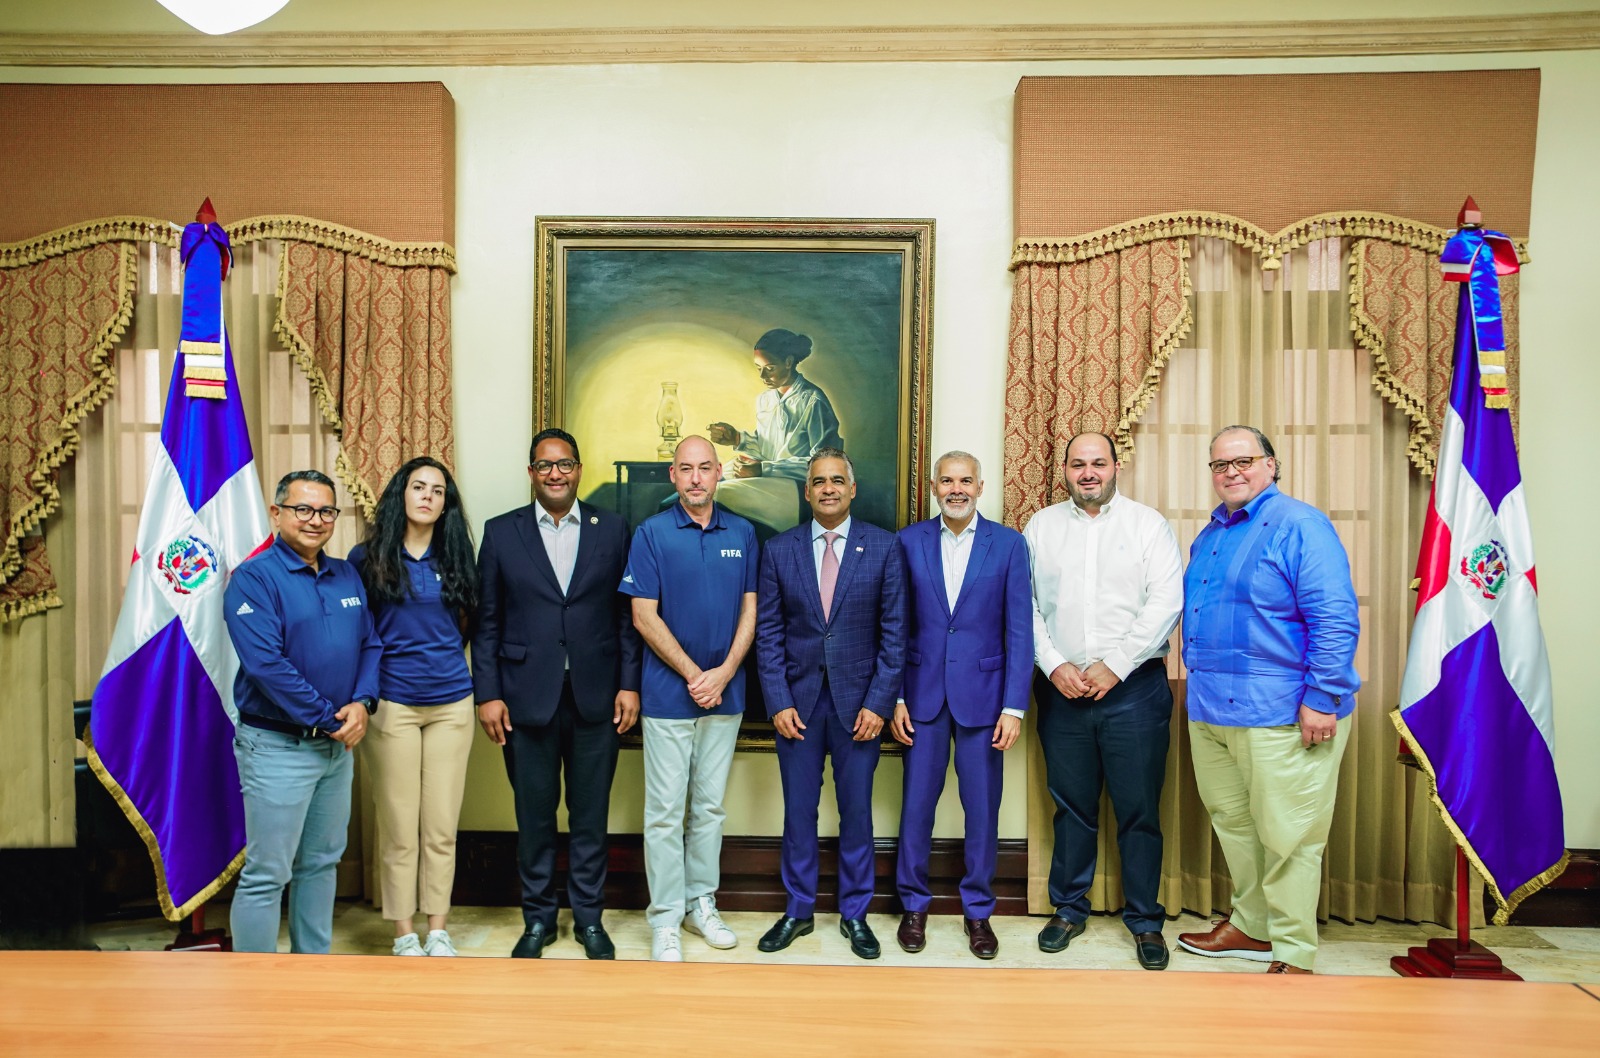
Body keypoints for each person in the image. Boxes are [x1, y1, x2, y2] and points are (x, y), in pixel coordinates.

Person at [1175, 425, 1359, 975]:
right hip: (1211, 709)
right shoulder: (1210, 534)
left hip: (1281, 713)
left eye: (1244, 460)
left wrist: (1322, 697)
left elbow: (1334, 617)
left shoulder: (1301, 525)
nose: (1231, 472)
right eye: (1219, 464)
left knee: (1290, 837)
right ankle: (1252, 927)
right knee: (1235, 825)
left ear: (1271, 465)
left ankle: (1294, 952)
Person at [472, 429, 642, 960]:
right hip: (524, 699)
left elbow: (627, 617)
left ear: (579, 470)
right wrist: (487, 693)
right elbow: (487, 621)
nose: (555, 474)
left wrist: (629, 684)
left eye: (564, 464)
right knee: (535, 818)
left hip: (597, 696)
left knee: (590, 817)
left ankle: (589, 919)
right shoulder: (501, 532)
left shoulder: (612, 529)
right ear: (531, 473)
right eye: (544, 465)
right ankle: (539, 920)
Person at [1023, 433, 1184, 971]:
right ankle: (1069, 909)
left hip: (1134, 688)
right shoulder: (1041, 526)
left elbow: (1166, 601)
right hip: (1063, 688)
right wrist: (1054, 665)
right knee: (1072, 808)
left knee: (1139, 810)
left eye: (1098, 463)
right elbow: (1024, 604)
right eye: (1078, 464)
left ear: (1116, 467)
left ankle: (1145, 920)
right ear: (1065, 470)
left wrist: (1115, 665)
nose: (1088, 472)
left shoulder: (1147, 525)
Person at [754, 447, 907, 960]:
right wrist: (777, 701)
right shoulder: (779, 550)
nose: (828, 489)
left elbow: (895, 635)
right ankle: (798, 911)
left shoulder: (883, 547)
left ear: (852, 489)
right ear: (807, 491)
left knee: (856, 812)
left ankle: (855, 913)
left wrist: (879, 704)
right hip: (796, 708)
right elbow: (769, 635)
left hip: (859, 708)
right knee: (799, 814)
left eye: (837, 480)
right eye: (818, 481)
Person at [222, 469, 380, 954]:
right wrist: (331, 719)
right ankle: (256, 983)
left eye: (326, 511)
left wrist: (363, 704)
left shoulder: (346, 574)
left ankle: (312, 971)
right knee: (268, 872)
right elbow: (266, 666)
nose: (315, 520)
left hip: (334, 751)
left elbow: (371, 644)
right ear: (277, 513)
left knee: (321, 864)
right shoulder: (253, 579)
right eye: (303, 509)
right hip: (277, 746)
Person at [620, 435, 758, 962]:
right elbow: (643, 615)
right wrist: (695, 674)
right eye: (686, 469)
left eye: (704, 468)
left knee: (709, 808)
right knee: (663, 812)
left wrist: (723, 673)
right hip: (667, 696)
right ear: (673, 475)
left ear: (719, 472)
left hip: (726, 694)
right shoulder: (651, 533)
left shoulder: (742, 532)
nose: (696, 478)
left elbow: (750, 610)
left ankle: (701, 903)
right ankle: (664, 918)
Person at [891, 451, 1032, 960]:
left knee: (982, 811)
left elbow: (1020, 630)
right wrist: (896, 696)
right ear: (933, 487)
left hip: (985, 701)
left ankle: (978, 912)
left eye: (966, 480)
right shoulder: (908, 542)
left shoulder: (1009, 544)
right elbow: (896, 625)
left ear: (980, 486)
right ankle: (913, 907)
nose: (957, 489)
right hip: (920, 697)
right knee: (915, 809)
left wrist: (1014, 706)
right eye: (947, 480)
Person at [347, 457, 477, 958]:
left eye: (438, 491)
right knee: (400, 828)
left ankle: (438, 929)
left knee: (441, 828)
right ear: (401, 494)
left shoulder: (457, 556)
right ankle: (404, 932)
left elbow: (467, 625)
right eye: (419, 487)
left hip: (452, 705)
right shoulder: (366, 558)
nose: (428, 496)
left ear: (446, 505)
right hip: (392, 705)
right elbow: (358, 633)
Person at [706, 328, 844, 533]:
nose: (762, 376)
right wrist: (736, 439)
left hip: (795, 489)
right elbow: (767, 449)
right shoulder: (765, 399)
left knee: (719, 493)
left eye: (769, 368)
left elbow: (824, 465)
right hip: (766, 481)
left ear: (788, 362)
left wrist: (763, 469)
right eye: (758, 368)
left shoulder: (813, 401)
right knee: (707, 483)